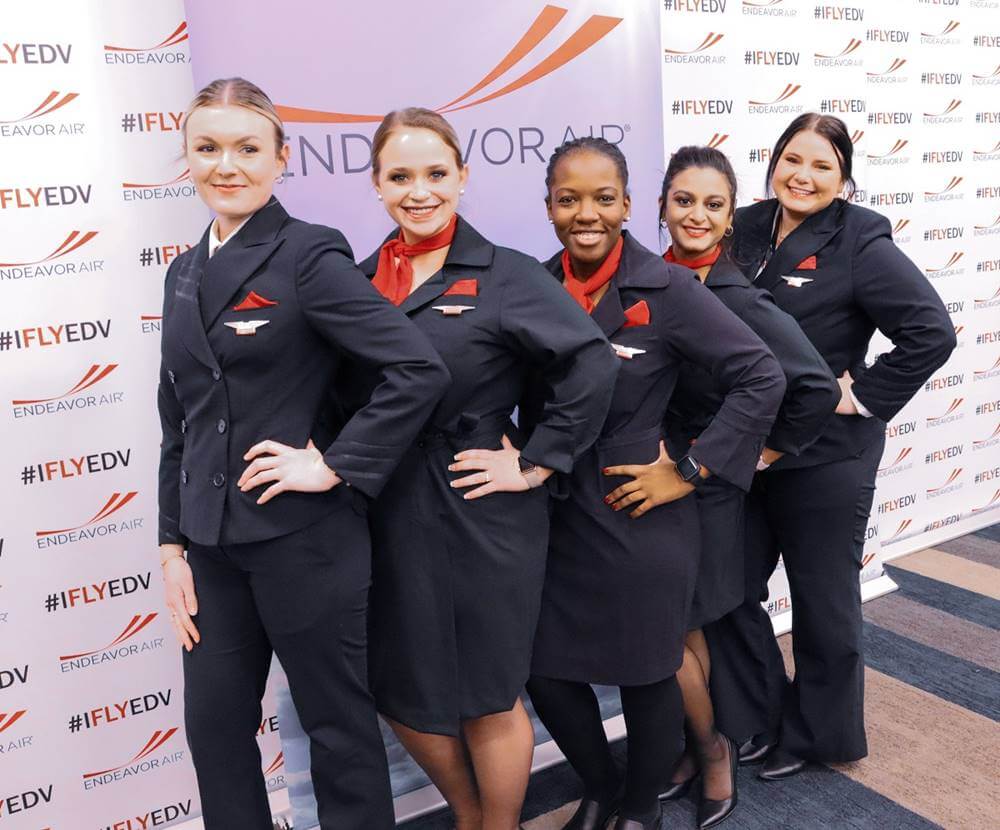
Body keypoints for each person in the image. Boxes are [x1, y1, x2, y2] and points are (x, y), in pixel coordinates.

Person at [157, 79, 450, 830]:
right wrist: (170, 542)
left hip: (306, 542)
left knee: (337, 730)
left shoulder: (309, 254)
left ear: (281, 159)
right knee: (215, 729)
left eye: (248, 148)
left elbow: (417, 369)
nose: (228, 165)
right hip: (211, 552)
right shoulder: (181, 271)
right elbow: (180, 419)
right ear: (187, 158)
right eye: (209, 147)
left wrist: (334, 463)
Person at [354, 108, 618, 830]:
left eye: (436, 174)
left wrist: (536, 462)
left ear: (462, 178)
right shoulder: (355, 280)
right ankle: (472, 814)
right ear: (376, 184)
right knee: (399, 688)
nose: (419, 191)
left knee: (488, 696)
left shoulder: (504, 273)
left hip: (483, 510)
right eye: (400, 176)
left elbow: (591, 362)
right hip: (387, 508)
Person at [523, 137, 786, 830]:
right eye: (569, 198)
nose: (587, 212)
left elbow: (762, 376)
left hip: (638, 506)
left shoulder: (665, 287)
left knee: (646, 671)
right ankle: (605, 786)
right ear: (549, 206)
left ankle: (641, 807)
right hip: (553, 511)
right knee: (543, 670)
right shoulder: (532, 287)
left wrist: (691, 469)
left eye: (603, 198)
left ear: (628, 205)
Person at [708, 113, 957, 780]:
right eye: (794, 159)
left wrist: (864, 395)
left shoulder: (860, 241)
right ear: (774, 161)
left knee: (823, 603)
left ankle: (821, 737)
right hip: (749, 449)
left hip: (827, 453)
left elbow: (931, 332)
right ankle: (760, 714)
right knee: (726, 590)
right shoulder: (745, 227)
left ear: (844, 178)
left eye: (822, 165)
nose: (803, 175)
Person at [656, 145, 839, 828]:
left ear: (731, 216)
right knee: (680, 628)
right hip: (653, 481)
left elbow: (813, 387)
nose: (695, 216)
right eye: (683, 201)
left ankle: (715, 753)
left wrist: (755, 453)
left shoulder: (733, 295)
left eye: (712, 204)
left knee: (689, 627)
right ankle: (695, 744)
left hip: (704, 489)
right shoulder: (651, 279)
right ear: (662, 206)